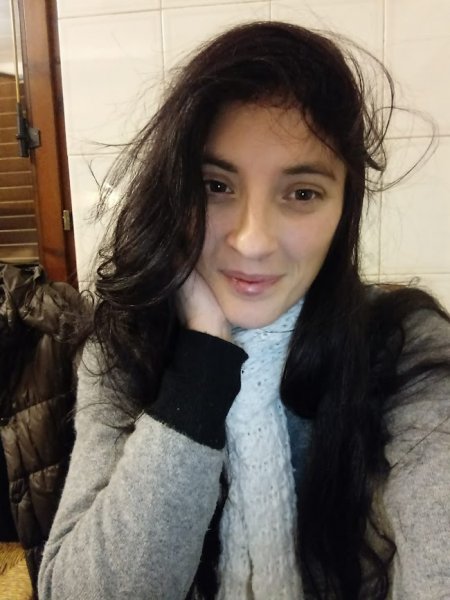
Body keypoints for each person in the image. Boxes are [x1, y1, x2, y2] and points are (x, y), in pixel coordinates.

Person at [38, 21, 450, 600]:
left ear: (343, 210)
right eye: (216, 186)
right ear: (173, 191)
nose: (253, 241)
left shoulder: (405, 346)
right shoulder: (125, 349)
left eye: (302, 193)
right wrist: (201, 367)